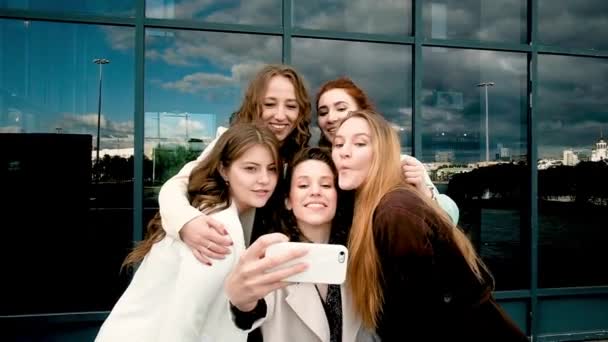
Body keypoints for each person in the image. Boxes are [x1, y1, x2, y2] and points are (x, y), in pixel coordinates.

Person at [331, 109, 528, 341]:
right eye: (338, 144)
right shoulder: (381, 206)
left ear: (383, 155)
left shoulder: (395, 212)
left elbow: (419, 322)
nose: (343, 152)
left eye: (360, 143)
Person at [95, 123, 286, 342]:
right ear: (224, 170)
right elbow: (183, 323)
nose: (264, 179)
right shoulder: (219, 229)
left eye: (272, 169)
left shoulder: (204, 209)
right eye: (250, 168)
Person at [157, 64, 312, 266]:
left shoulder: (297, 156)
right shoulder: (233, 142)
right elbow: (177, 185)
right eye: (270, 104)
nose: (281, 115)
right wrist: (186, 222)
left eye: (291, 106)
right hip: (224, 260)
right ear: (255, 105)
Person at [224, 147, 368, 342]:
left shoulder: (359, 256)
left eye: (326, 185)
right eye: (303, 185)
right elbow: (250, 315)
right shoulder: (272, 257)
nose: (316, 192)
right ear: (288, 201)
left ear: (337, 197)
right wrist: (241, 303)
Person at [315, 77, 460, 223]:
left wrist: (425, 193)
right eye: (323, 112)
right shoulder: (317, 166)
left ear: (363, 112)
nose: (331, 118)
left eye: (341, 108)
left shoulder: (400, 166)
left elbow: (448, 221)